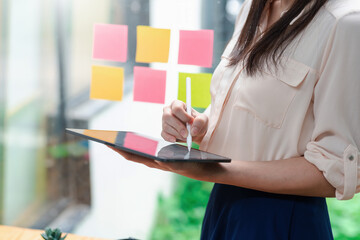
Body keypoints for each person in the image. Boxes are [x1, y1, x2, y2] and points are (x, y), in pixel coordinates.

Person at [110, 0, 360, 239]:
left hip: (282, 216)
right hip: (223, 204)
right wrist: (197, 125)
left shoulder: (345, 22)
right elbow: (254, 112)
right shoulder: (253, 8)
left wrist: (212, 170)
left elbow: (335, 170)